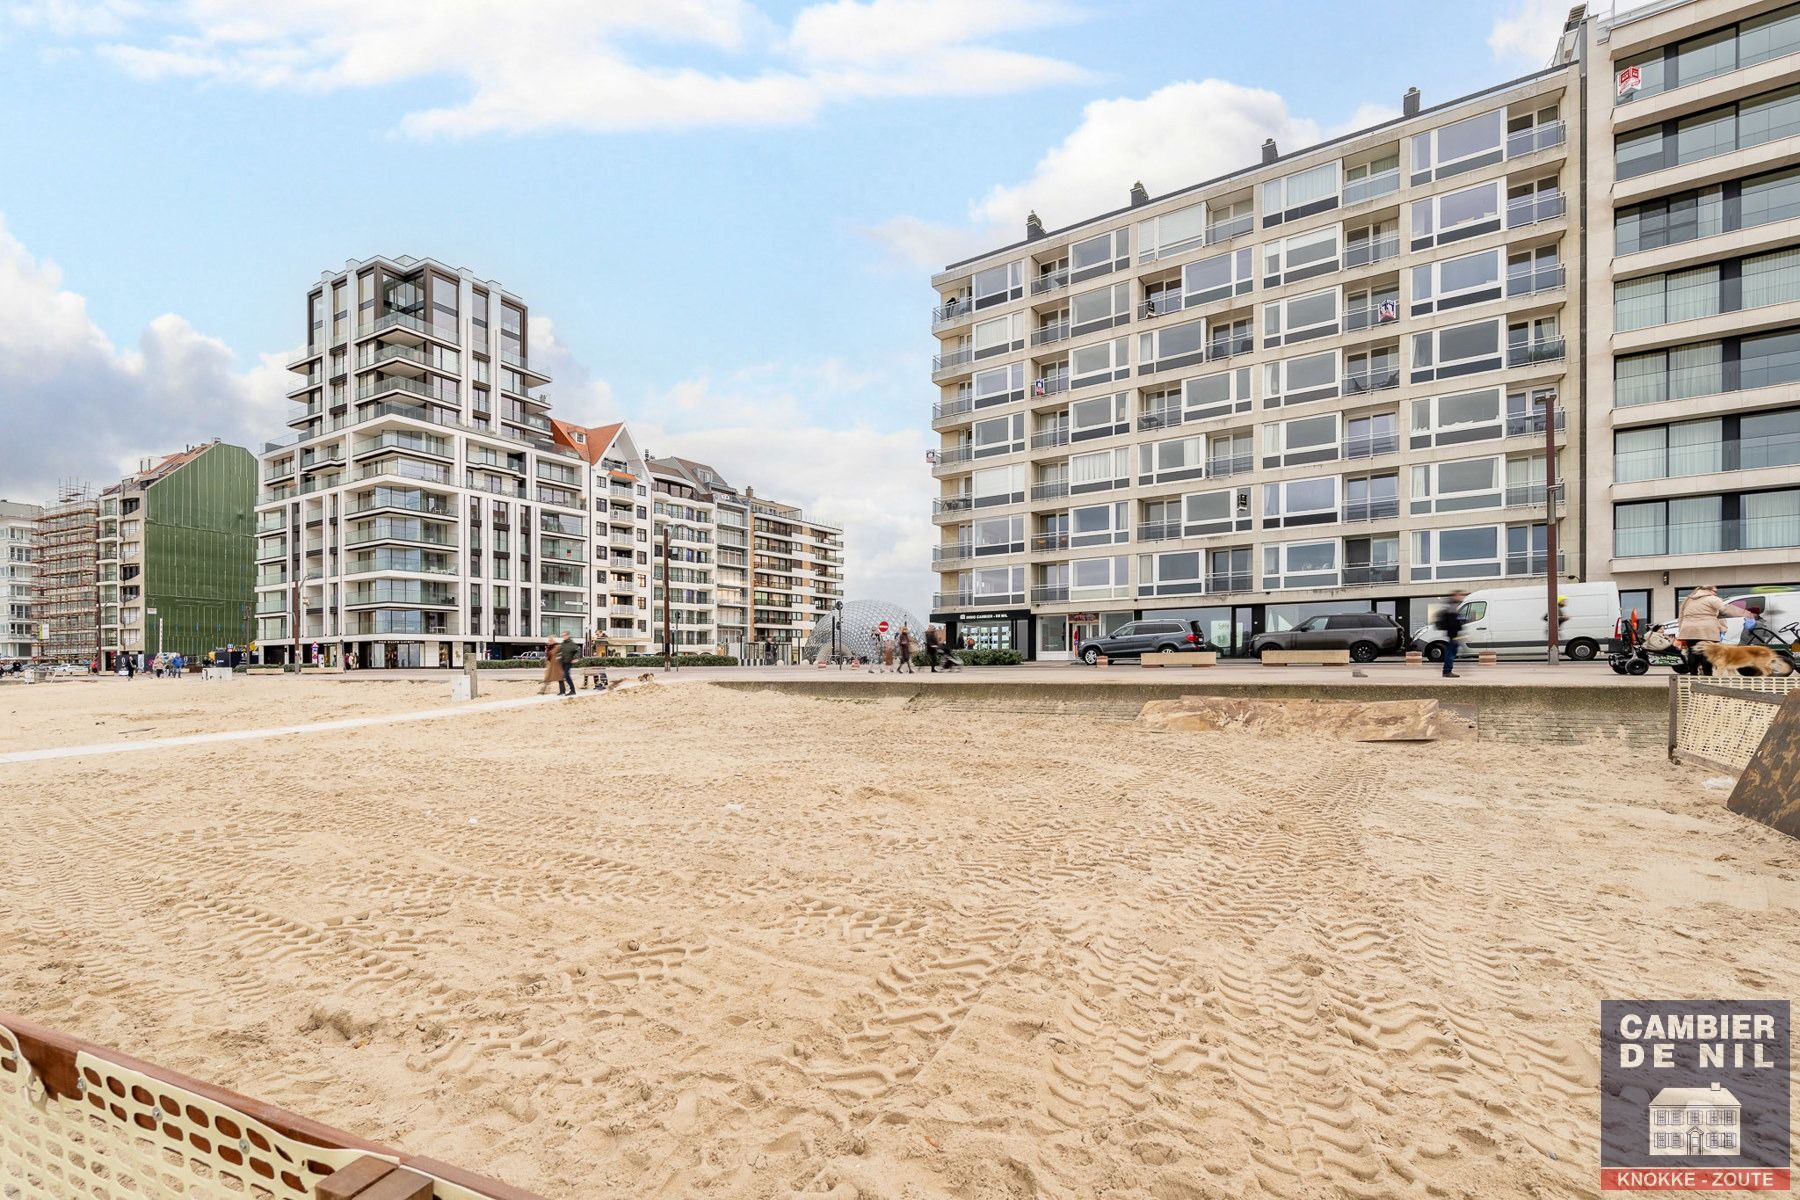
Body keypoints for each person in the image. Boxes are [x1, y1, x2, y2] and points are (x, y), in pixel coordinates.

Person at [1678, 585, 1750, 676]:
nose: (1715, 593)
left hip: (1688, 630)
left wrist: (1681, 630)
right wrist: (1747, 613)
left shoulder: (1688, 600)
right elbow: (1726, 609)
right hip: (1706, 629)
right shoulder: (1712, 598)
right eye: (1714, 591)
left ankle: (1693, 675)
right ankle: (1708, 674)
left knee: (1692, 652)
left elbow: (1681, 617)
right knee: (1708, 653)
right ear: (1708, 590)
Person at [1435, 590, 1469, 678]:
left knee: (1451, 652)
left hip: (1453, 633)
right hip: (1453, 634)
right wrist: (1459, 626)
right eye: (1460, 595)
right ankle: (1447, 671)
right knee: (1450, 653)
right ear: (1456, 595)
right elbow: (1452, 622)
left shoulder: (1452, 605)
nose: (1462, 597)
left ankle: (1447, 671)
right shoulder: (1452, 606)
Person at [555, 631, 580, 696]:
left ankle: (573, 691)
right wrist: (557, 656)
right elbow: (559, 652)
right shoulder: (562, 644)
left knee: (567, 676)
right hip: (561, 662)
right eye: (562, 636)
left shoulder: (572, 644)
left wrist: (575, 658)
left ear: (568, 635)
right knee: (560, 676)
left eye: (564, 635)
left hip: (568, 662)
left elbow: (578, 651)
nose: (563, 637)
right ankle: (562, 691)